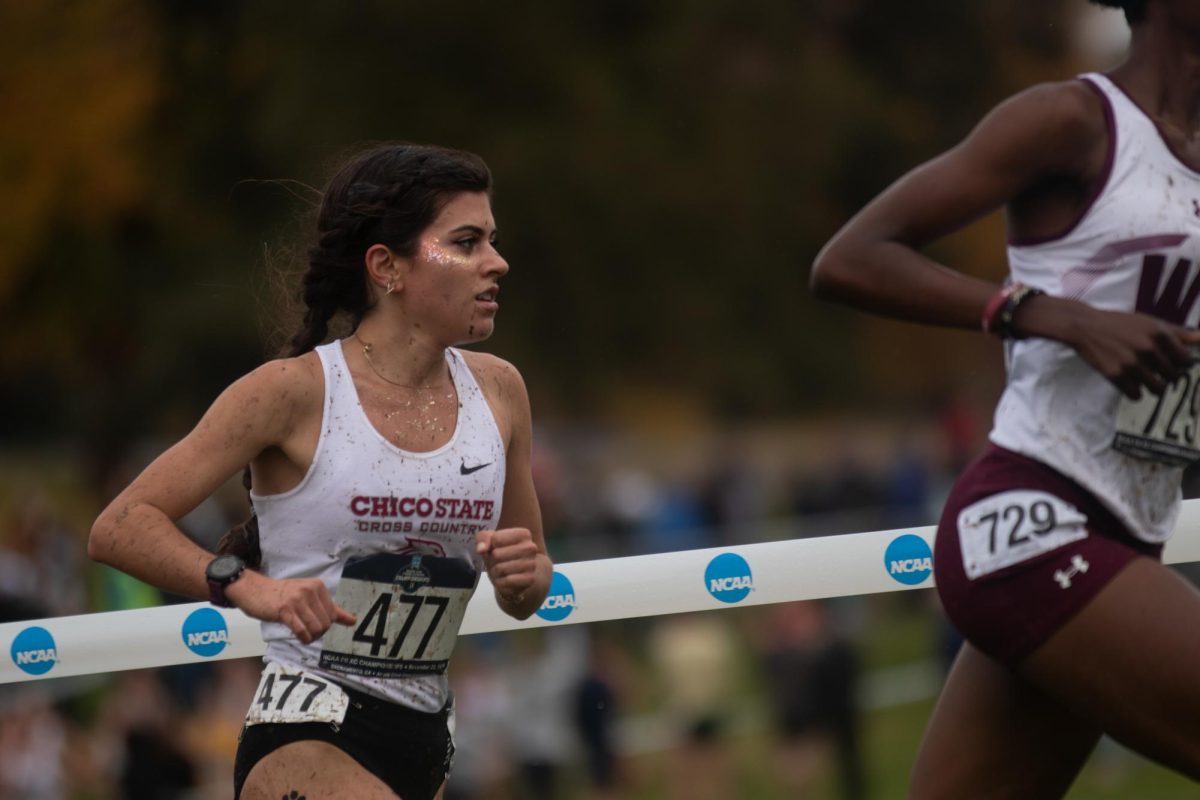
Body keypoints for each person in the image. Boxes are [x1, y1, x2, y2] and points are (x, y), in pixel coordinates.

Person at [810, 1, 1200, 795]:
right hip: (1030, 525)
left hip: (1132, 534)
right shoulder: (1073, 121)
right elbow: (850, 258)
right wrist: (1047, 314)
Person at [89, 142, 554, 800]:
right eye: (468, 241)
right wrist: (246, 586)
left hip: (426, 739)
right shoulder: (291, 393)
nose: (497, 262)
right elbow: (120, 525)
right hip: (306, 727)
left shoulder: (501, 393)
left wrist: (524, 575)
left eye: (493, 241)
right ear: (387, 267)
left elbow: (529, 582)